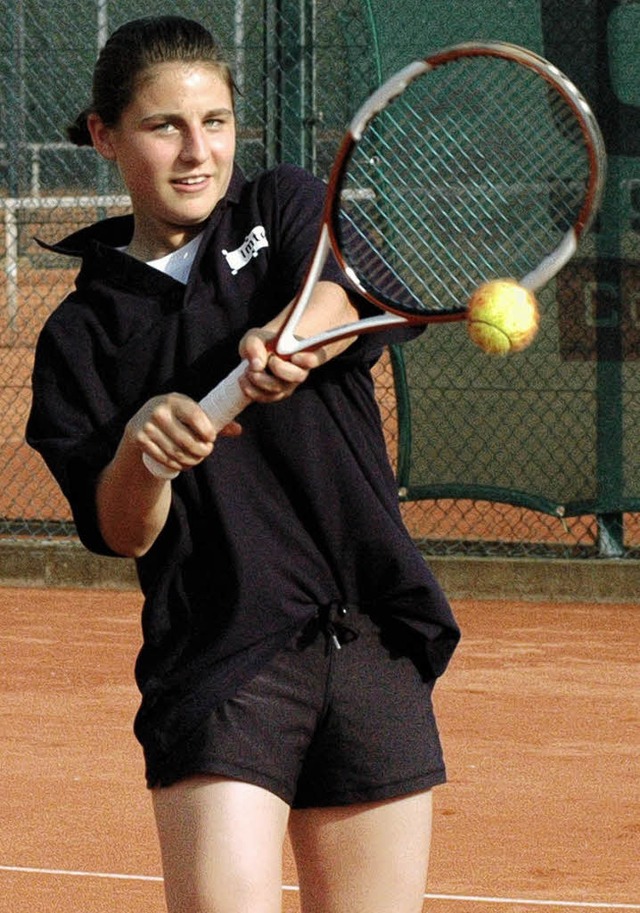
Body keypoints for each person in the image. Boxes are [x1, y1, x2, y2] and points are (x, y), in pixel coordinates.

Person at [26, 15, 460, 913]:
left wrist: (294, 329)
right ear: (106, 135)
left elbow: (360, 299)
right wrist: (146, 454)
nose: (197, 151)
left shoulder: (283, 207)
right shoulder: (81, 334)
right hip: (220, 660)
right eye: (164, 126)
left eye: (216, 122)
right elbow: (118, 529)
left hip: (369, 633)